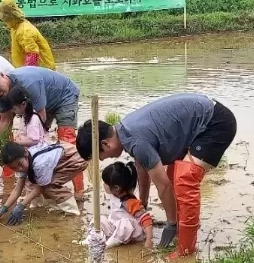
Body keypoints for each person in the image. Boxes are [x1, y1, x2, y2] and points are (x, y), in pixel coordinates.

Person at [75, 93, 237, 258]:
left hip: (215, 123)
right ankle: (183, 229)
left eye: (103, 156)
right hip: (202, 116)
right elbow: (142, 168)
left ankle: (185, 251)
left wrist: (170, 224)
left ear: (105, 143)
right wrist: (142, 204)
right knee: (174, 173)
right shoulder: (125, 130)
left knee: (185, 179)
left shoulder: (136, 141)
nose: (106, 159)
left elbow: (163, 186)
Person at [0, 65, 84, 197]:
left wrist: (31, 142)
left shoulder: (29, 82)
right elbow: (5, 120)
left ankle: (79, 191)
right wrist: (4, 148)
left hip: (64, 96)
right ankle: (47, 185)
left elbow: (40, 118)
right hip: (39, 105)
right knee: (38, 148)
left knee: (66, 140)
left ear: (2, 75)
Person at [0, 141, 87, 224]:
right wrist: (4, 208)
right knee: (32, 181)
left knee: (48, 186)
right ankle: (48, 207)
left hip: (76, 157)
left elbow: (41, 187)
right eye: (14, 168)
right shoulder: (24, 160)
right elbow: (17, 190)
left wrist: (21, 206)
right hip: (61, 155)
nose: (19, 168)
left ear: (26, 154)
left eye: (20, 164)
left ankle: (73, 213)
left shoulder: (39, 164)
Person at [84, 161, 153, 249]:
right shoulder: (115, 196)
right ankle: (92, 238)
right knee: (99, 219)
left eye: (106, 182)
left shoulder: (130, 202)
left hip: (132, 232)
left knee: (124, 224)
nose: (103, 185)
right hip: (115, 227)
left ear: (116, 188)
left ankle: (110, 243)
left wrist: (149, 240)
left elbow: (146, 219)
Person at [2, 85, 50, 207]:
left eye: (14, 109)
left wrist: (18, 142)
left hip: (38, 155)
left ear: (23, 104)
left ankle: (35, 205)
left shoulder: (32, 119)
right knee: (30, 182)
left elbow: (34, 140)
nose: (13, 112)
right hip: (30, 154)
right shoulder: (25, 116)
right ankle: (35, 204)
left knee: (34, 183)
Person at [0, 0, 55, 70]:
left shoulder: (25, 31)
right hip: (26, 69)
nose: (4, 23)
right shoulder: (15, 27)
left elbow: (32, 55)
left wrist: (26, 74)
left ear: (9, 18)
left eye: (3, 20)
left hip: (40, 71)